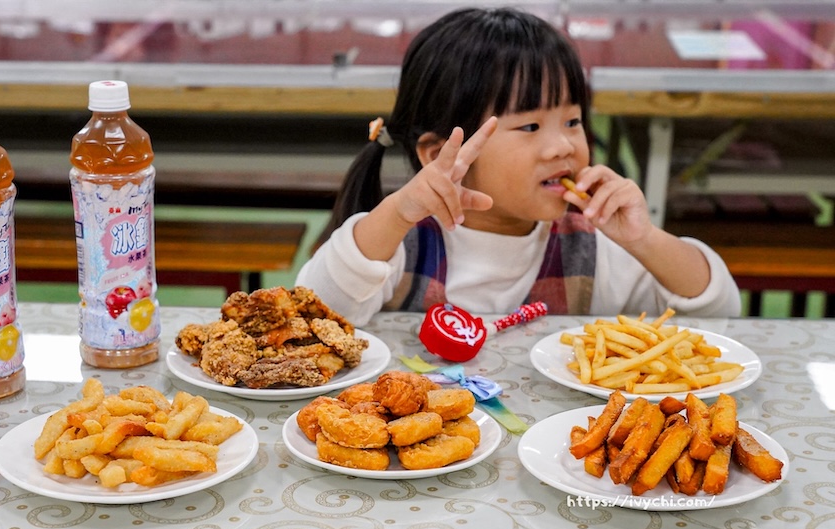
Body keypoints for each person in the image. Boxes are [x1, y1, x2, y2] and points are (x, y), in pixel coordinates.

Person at [296, 7, 741, 325]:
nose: (562, 146)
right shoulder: (398, 243)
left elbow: (721, 312)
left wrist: (645, 240)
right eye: (530, 126)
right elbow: (313, 309)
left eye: (572, 120)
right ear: (439, 155)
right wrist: (394, 214)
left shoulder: (592, 246)